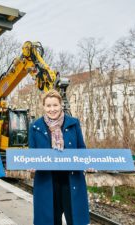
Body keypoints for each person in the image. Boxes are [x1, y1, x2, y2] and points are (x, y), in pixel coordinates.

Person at [29, 89, 90, 225]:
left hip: (71, 181)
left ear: (61, 105)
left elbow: (82, 149)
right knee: (50, 221)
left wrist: (87, 163)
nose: (52, 109)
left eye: (55, 105)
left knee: (75, 220)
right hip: (47, 183)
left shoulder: (74, 123)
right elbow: (31, 154)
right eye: (48, 106)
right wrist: (31, 165)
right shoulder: (35, 127)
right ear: (43, 107)